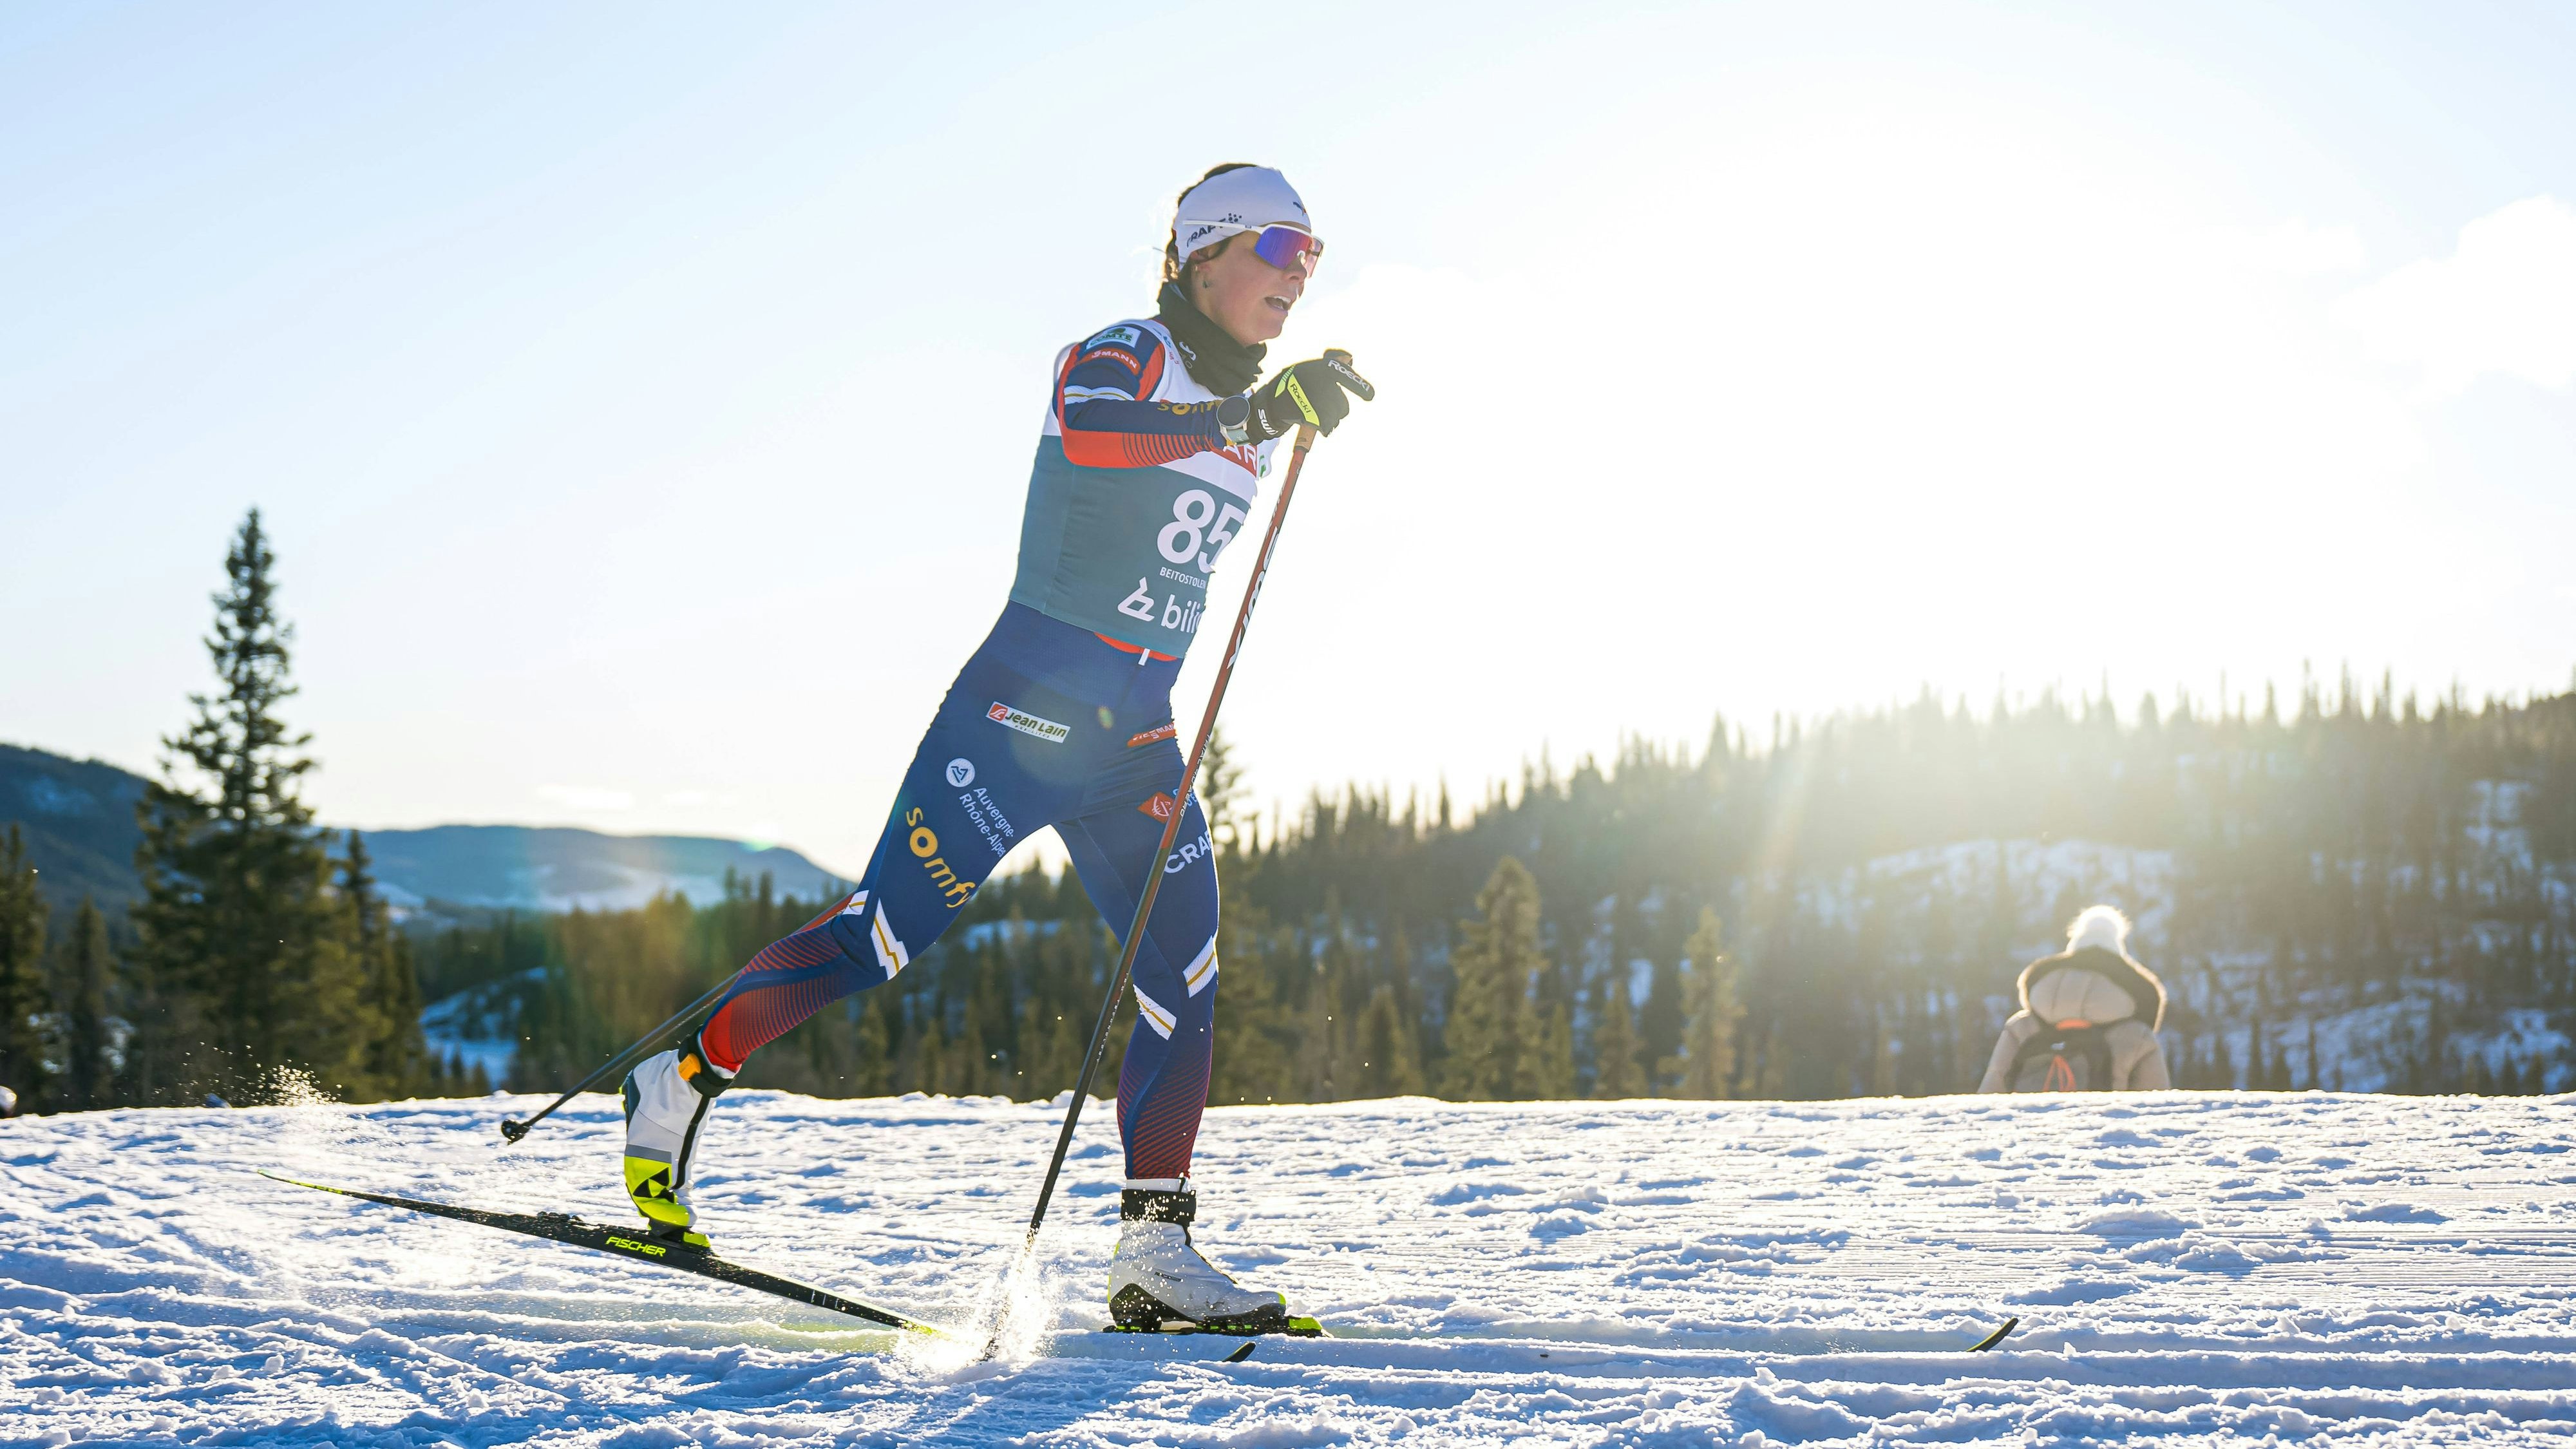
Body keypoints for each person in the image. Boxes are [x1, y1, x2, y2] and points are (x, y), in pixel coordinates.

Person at [616, 164, 1371, 1334]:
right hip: (1019, 718)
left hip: (1138, 742)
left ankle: (1153, 1255)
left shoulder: (1253, 408)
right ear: (1205, 254)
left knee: (1185, 972)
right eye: (1281, 249)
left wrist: (1271, 413)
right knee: (878, 940)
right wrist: (1250, 414)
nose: (1300, 274)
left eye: (1314, 255)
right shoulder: (1125, 354)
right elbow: (1093, 429)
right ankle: (680, 1076)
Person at [1976, 905, 2172, 1092]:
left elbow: (1992, 1092)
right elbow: (2154, 1109)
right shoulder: (2136, 1035)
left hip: (2026, 1126)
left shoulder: (2021, 1027)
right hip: (2103, 1127)